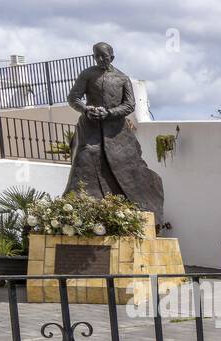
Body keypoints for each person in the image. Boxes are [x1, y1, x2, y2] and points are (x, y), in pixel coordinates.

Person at [63, 42, 164, 223]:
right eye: (97, 56)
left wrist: (109, 113)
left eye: (104, 56)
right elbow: (73, 98)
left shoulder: (122, 78)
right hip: (90, 127)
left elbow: (129, 105)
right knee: (85, 156)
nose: (101, 59)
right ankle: (76, 207)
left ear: (112, 57)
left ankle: (134, 207)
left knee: (126, 165)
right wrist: (86, 109)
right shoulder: (88, 74)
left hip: (116, 131)